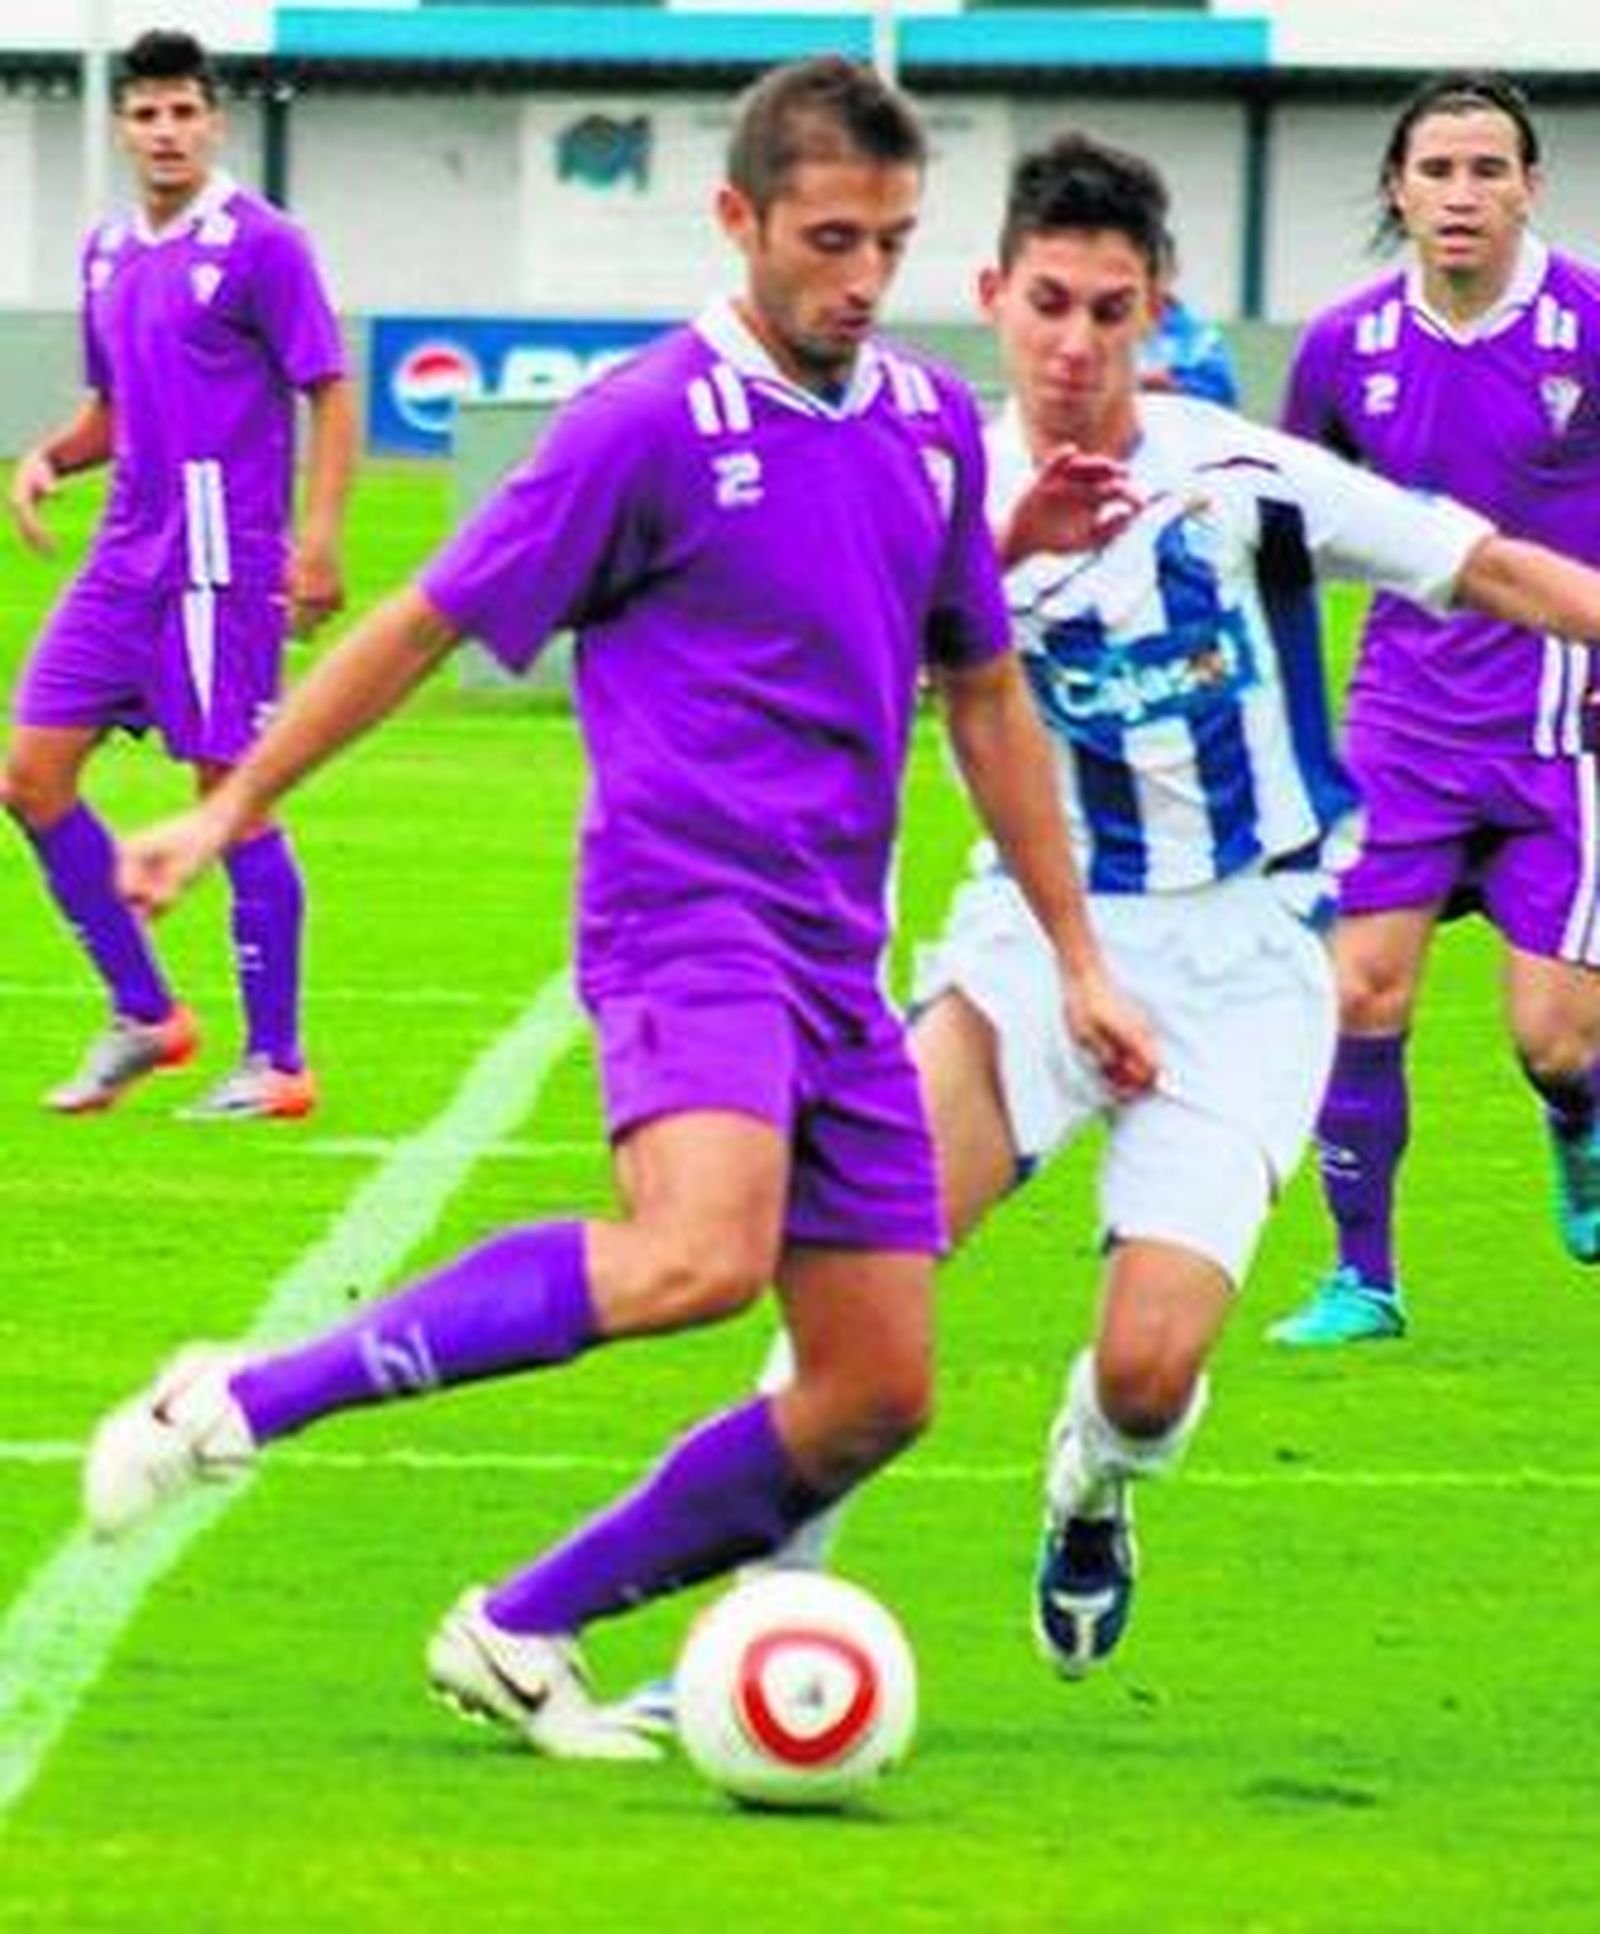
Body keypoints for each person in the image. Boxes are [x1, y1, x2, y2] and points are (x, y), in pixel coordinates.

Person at [79, 58, 1155, 1761]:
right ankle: (236, 1397)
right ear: (739, 219)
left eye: (890, 242)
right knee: (696, 1255)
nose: (863, 278)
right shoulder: (642, 422)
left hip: (839, 957)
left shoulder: (930, 427)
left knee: (874, 1390)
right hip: (684, 914)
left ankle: (520, 1626)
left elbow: (984, 691)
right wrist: (232, 801)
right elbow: (426, 620)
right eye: (829, 239)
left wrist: (1079, 956)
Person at [614, 127, 1600, 1729]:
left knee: (1149, 1370)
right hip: (1030, 943)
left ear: (1158, 310)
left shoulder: (1241, 476)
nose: (1075, 343)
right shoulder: (941, 486)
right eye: (1049, 304)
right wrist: (990, 562)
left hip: (1249, 964)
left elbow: (1486, 566)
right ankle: (743, 1623)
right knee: (861, 1264)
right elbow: (846, 666)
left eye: (1110, 310)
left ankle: (1093, 1475)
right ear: (995, 296)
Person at [1270, 71, 1600, 1347]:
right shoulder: (1342, 349)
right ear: (1398, 191)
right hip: (1401, 723)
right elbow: (1285, 534)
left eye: (1486, 170)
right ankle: (1363, 1278)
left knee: (1557, 1039)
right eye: (1437, 170)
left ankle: (1576, 1120)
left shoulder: (1586, 325)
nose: (1461, 193)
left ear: (1528, 187)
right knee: (1360, 993)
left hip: (1563, 728)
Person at [3, 28, 355, 1120]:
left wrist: (318, 538)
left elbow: (330, 389)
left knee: (230, 795)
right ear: (123, 127)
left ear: (214, 122)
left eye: (183, 112)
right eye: (146, 113)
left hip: (221, 558)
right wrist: (49, 458)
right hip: (124, 556)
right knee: (30, 776)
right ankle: (146, 1013)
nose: (165, 131)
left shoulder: (264, 243)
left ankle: (278, 1060)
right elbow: (114, 411)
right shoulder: (108, 251)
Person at [1138, 235, 1239, 405]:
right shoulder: (1102, 331)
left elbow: (1225, 401)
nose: (1148, 280)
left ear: (1174, 270)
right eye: (1142, 269)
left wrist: (1177, 389)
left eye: (1155, 270)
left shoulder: (1203, 340)